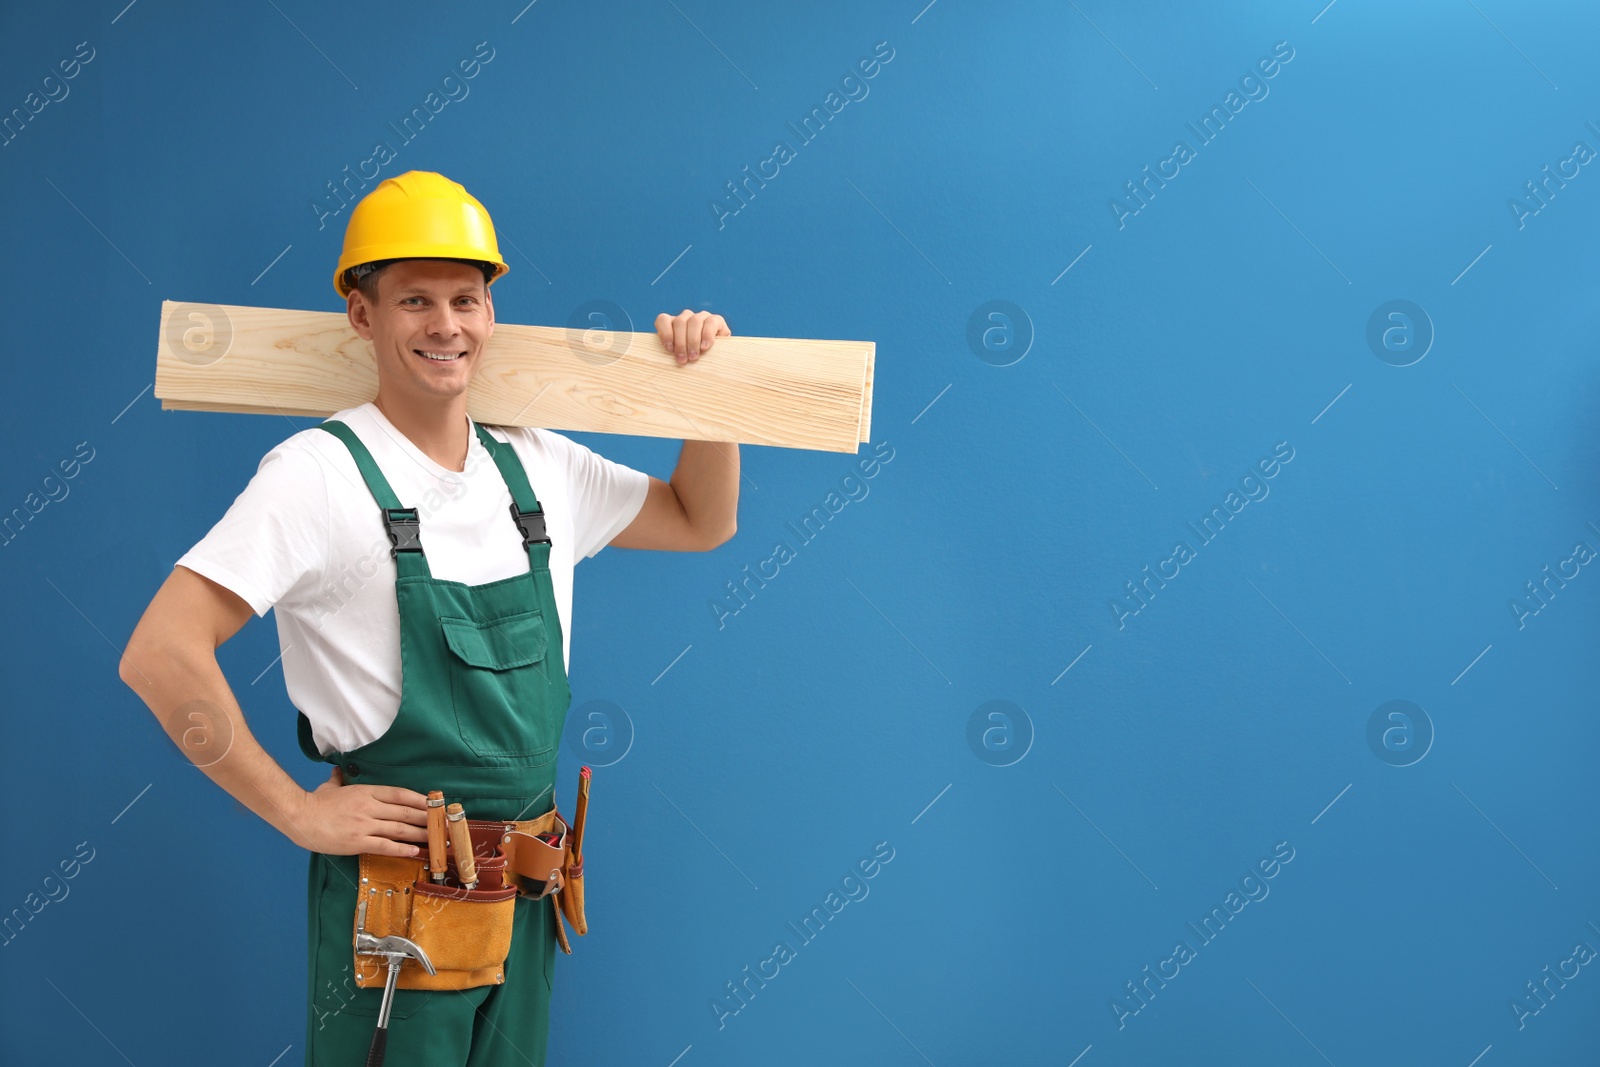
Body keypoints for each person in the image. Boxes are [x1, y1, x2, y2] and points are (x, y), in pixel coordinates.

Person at [118, 171, 738, 1065]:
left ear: (490, 312)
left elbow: (699, 518)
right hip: (397, 911)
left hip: (526, 900)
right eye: (414, 300)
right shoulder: (317, 474)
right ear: (363, 316)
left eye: (465, 298)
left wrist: (709, 395)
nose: (446, 324)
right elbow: (159, 652)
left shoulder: (538, 466)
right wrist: (296, 811)